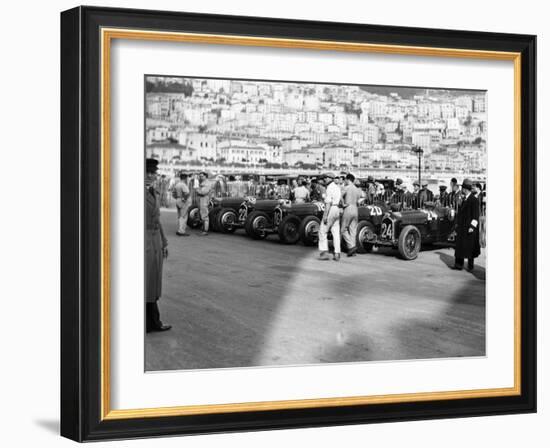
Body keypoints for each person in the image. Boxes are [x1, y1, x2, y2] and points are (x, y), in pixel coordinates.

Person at [145, 159, 171, 333]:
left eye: (153, 173)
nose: (151, 175)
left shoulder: (153, 192)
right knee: (144, 282)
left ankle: (153, 322)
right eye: (147, 172)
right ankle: (151, 322)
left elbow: (157, 220)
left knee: (152, 282)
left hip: (153, 242)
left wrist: (164, 242)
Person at [453, 178, 481, 272]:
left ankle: (470, 266)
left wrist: (472, 227)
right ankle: (458, 265)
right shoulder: (464, 199)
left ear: (465, 189)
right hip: (462, 227)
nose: (461, 190)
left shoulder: (474, 200)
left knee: (470, 247)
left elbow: (476, 215)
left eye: (463, 188)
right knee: (460, 246)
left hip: (469, 227)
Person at [318, 173, 342, 261]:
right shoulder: (337, 187)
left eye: (326, 178)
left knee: (322, 231)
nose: (324, 179)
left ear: (330, 178)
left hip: (331, 208)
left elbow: (328, 203)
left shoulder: (329, 188)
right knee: (335, 232)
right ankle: (337, 253)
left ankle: (324, 252)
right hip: (337, 208)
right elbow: (341, 200)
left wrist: (325, 216)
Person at [341, 173, 361, 257]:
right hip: (355, 208)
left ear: (347, 179)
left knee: (343, 229)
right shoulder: (357, 189)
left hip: (348, 207)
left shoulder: (346, 187)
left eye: (345, 179)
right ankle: (353, 249)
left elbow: (339, 196)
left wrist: (343, 204)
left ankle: (351, 246)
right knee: (353, 230)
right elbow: (359, 199)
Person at [174, 172, 191, 236]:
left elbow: (173, 193)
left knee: (179, 216)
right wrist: (184, 199)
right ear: (185, 178)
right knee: (183, 216)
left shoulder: (177, 184)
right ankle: (181, 231)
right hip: (183, 201)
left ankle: (179, 229)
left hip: (178, 200)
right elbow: (187, 193)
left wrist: (178, 198)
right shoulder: (183, 185)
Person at [196, 171, 212, 236]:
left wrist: (197, 190)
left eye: (202, 176)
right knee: (202, 214)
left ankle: (205, 231)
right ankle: (203, 229)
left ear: (206, 176)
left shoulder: (207, 183)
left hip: (204, 199)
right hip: (202, 199)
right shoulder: (203, 182)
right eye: (200, 176)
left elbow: (203, 192)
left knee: (204, 215)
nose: (200, 177)